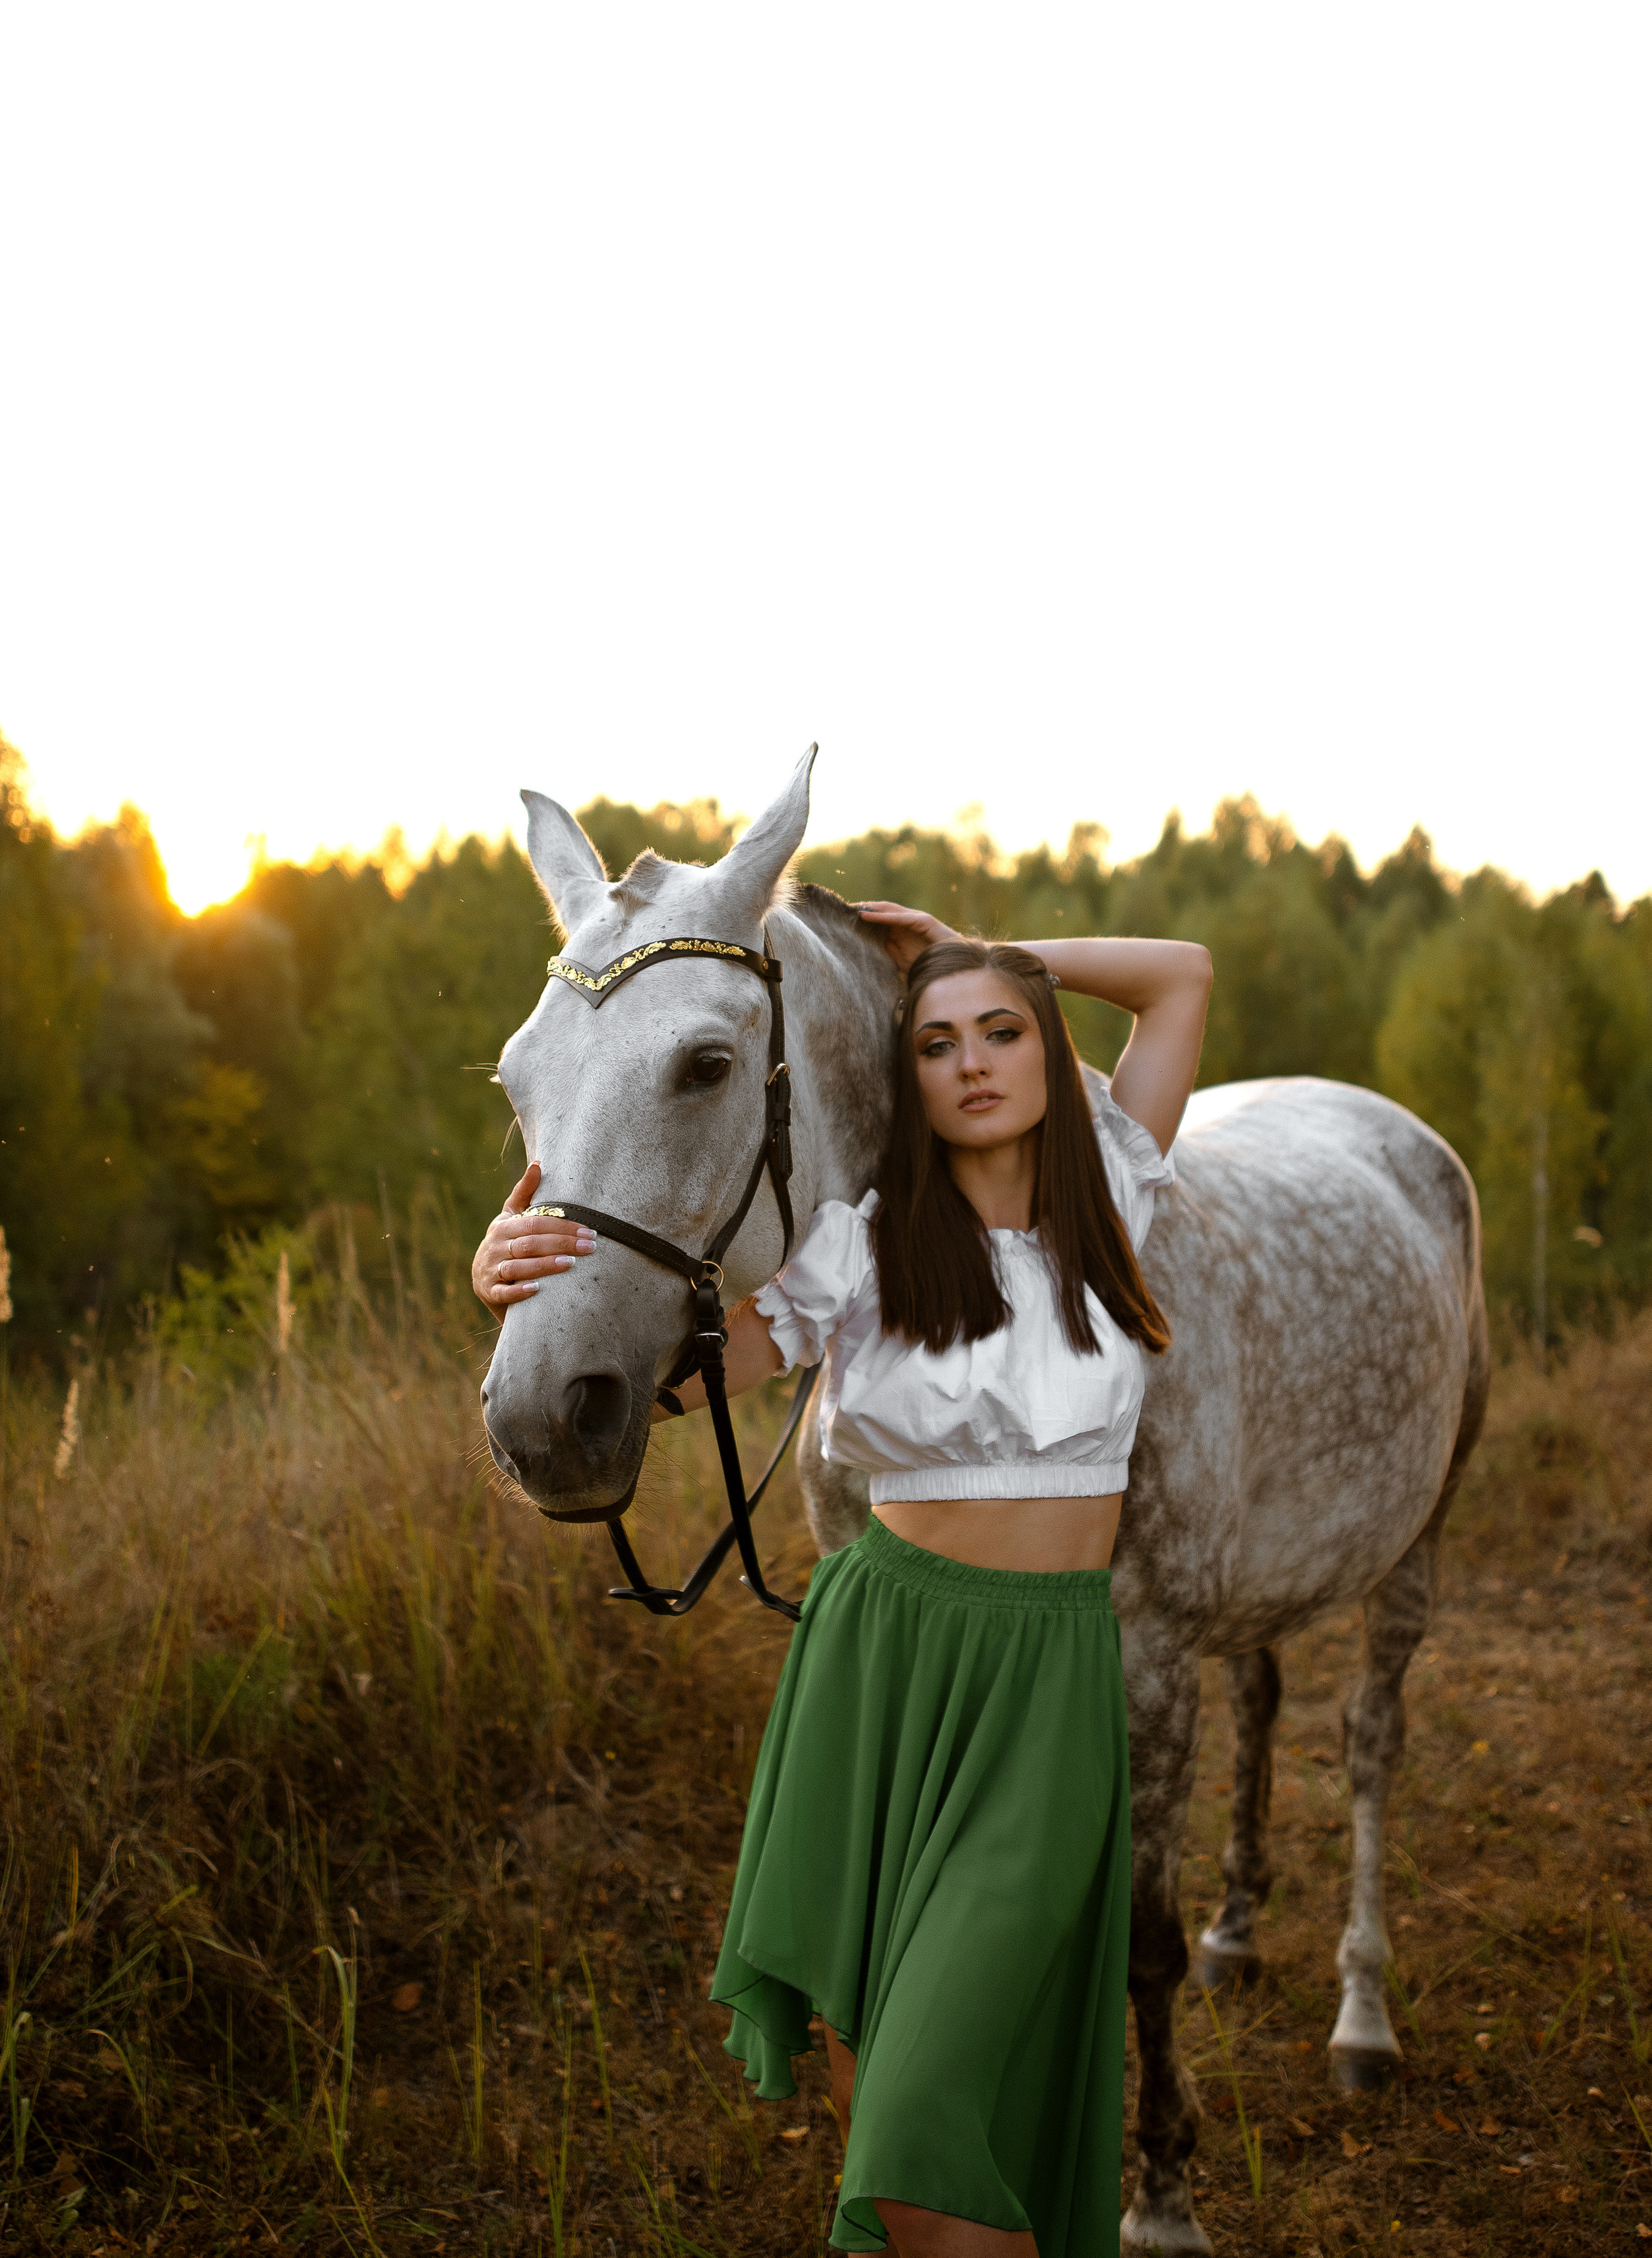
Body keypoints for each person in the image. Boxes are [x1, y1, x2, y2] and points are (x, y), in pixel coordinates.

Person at [473, 903, 1211, 2258]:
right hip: (878, 1665)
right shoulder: (859, 1253)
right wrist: (518, 1282)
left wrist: (965, 953)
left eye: (1002, 1035)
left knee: (928, 2116)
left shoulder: (1114, 1190)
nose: (973, 1061)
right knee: (874, 2075)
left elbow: (1179, 979)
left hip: (1042, 1688)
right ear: (903, 1075)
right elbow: (679, 1380)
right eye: (935, 1042)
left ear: (1047, 1051)